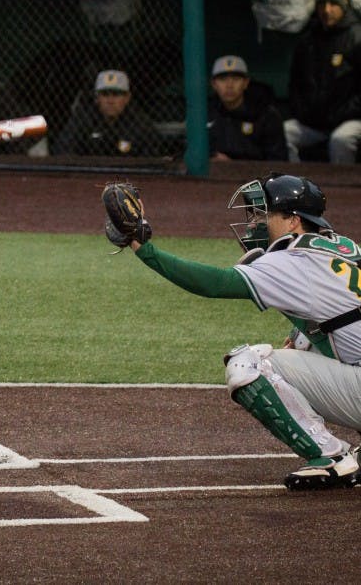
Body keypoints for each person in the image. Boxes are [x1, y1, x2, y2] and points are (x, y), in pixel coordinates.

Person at [108, 173, 361, 490]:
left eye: (263, 213)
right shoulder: (344, 251)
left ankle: (332, 457)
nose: (255, 222)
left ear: (293, 220)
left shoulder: (292, 258)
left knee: (249, 363)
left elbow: (213, 284)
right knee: (303, 343)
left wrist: (143, 248)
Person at [284, 0, 361, 164]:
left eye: (333, 4)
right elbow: (295, 84)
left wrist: (341, 114)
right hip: (313, 122)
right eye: (322, 4)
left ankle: (345, 191)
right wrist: (303, 112)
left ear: (344, 5)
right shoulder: (308, 41)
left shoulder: (357, 38)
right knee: (284, 132)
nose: (327, 10)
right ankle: (296, 188)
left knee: (340, 140)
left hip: (350, 120)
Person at [52, 69, 159, 157]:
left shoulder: (140, 123)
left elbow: (151, 157)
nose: (110, 101)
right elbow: (63, 149)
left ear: (127, 98)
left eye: (116, 95)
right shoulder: (84, 118)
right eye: (105, 94)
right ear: (97, 98)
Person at [207, 55, 287, 162]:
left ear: (246, 83)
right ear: (214, 84)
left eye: (236, 79)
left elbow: (278, 161)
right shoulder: (205, 113)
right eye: (223, 79)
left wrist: (233, 165)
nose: (229, 85)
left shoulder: (266, 114)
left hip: (259, 176)